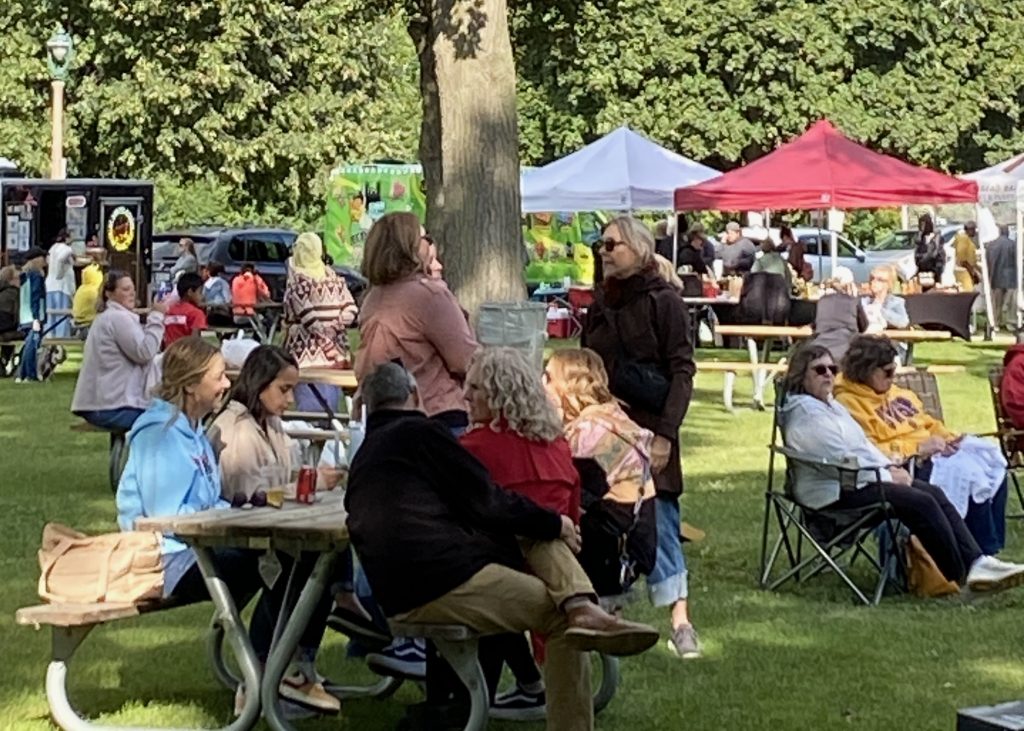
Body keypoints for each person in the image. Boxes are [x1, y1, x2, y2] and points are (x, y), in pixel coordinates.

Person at [345, 362, 659, 731]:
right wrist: (557, 523)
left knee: (537, 538)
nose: (464, 397)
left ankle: (580, 606)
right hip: (439, 582)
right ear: (414, 396)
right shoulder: (427, 435)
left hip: (406, 584)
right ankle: (581, 615)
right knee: (564, 620)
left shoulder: (368, 454)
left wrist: (548, 526)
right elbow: (489, 502)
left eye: (473, 389)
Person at [116, 337, 337, 715]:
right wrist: (235, 518)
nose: (225, 385)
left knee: (308, 557)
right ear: (190, 384)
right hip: (163, 561)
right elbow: (166, 517)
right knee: (284, 561)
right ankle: (267, 676)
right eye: (218, 377)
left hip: (192, 551)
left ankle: (279, 672)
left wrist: (246, 508)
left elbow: (207, 502)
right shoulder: (159, 434)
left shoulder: (192, 432)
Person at [780, 342, 1024, 591]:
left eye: (832, 368)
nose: (829, 374)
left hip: (859, 478)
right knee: (921, 502)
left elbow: (863, 447)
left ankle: (978, 563)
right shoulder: (808, 415)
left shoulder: (828, 405)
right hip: (833, 493)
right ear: (802, 375)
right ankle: (961, 575)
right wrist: (888, 473)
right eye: (819, 370)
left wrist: (890, 467)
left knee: (934, 492)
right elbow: (840, 459)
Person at [581, 215, 700, 659]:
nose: (604, 252)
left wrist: (666, 434)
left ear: (639, 248)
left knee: (662, 519)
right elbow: (587, 365)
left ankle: (681, 622)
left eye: (612, 244)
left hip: (650, 428)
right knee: (608, 518)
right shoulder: (600, 304)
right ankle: (608, 617)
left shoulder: (663, 301)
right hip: (604, 431)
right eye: (600, 245)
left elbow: (682, 371)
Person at [207, 344, 343, 712]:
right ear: (259, 383)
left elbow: (279, 480)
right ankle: (264, 673)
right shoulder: (235, 427)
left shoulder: (269, 424)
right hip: (229, 537)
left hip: (262, 531)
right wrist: (307, 485)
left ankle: (298, 664)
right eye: (284, 389)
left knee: (325, 555)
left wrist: (311, 480)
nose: (290, 398)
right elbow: (246, 495)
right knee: (296, 565)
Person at [459, 347, 583, 720]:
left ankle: (459, 703)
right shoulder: (558, 446)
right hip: (561, 572)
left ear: (498, 397)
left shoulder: (472, 450)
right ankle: (535, 679)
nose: (465, 396)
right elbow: (573, 518)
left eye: (475, 388)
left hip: (499, 578)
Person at [834, 335, 1007, 555]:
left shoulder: (897, 393)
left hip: (932, 455)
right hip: (900, 469)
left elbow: (927, 422)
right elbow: (870, 452)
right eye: (887, 372)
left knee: (992, 463)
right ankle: (981, 553)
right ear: (866, 370)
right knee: (971, 474)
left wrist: (949, 437)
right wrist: (917, 449)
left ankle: (990, 549)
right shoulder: (848, 404)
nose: (893, 377)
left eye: (894, 370)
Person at [544, 348, 658, 594]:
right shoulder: (617, 419)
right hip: (636, 541)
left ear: (568, 386)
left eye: (549, 377)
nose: (542, 384)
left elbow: (570, 499)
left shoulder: (586, 433)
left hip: (603, 551)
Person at [356, 212, 478, 434]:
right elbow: (465, 360)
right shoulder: (429, 295)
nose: (431, 245)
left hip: (385, 417)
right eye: (426, 239)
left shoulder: (372, 299)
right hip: (438, 415)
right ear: (408, 247)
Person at [71, 271, 167, 430]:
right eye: (125, 289)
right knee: (169, 421)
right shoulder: (117, 317)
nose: (131, 293)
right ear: (109, 294)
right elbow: (145, 353)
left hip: (102, 404)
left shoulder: (109, 317)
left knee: (167, 415)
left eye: (132, 289)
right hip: (110, 406)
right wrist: (156, 316)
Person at [283, 232, 358, 412]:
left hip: (306, 356)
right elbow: (351, 309)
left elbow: (311, 322)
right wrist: (337, 328)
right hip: (337, 355)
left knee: (310, 411)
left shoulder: (297, 284)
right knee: (330, 404)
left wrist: (327, 345)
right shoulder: (335, 280)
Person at [812, 266, 867, 363]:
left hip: (821, 347)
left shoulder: (822, 300)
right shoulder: (853, 301)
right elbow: (864, 326)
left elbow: (816, 324)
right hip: (846, 347)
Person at [15, 247, 47, 383]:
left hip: (24, 314)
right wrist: (37, 318)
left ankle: (21, 374)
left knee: (29, 344)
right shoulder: (36, 275)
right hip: (34, 315)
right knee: (32, 346)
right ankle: (30, 374)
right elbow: (36, 297)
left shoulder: (23, 276)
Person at [986, 225, 1017, 333]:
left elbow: (988, 262)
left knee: (996, 303)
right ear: (1007, 232)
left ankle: (996, 322)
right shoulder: (1013, 245)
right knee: (1010, 303)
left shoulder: (991, 245)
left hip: (995, 277)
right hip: (1011, 277)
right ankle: (1009, 322)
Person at [163, 273, 208, 347]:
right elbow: (195, 341)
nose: (202, 296)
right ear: (190, 292)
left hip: (169, 352)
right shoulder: (197, 314)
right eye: (200, 292)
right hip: (186, 354)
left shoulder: (169, 311)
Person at [45, 231, 76, 337]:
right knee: (62, 314)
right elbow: (61, 258)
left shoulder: (53, 248)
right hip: (62, 286)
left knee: (51, 314)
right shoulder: (67, 249)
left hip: (50, 286)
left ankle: (49, 336)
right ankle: (61, 338)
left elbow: (49, 260)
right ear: (67, 238)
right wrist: (59, 273)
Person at [861, 265, 909, 333]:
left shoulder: (896, 302)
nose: (873, 282)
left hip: (891, 340)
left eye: (880, 280)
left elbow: (903, 322)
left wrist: (879, 309)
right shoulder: (864, 302)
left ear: (889, 284)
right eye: (872, 278)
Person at [72, 258, 104, 335]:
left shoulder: (81, 289)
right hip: (89, 324)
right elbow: (100, 307)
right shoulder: (94, 292)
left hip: (77, 322)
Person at [914, 213, 946, 285]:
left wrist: (924, 257)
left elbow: (934, 253)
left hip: (934, 268)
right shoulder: (921, 238)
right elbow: (917, 251)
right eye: (920, 225)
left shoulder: (936, 236)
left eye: (924, 225)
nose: (922, 227)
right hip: (922, 268)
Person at [953, 221, 981, 292]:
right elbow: (962, 260)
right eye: (974, 229)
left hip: (967, 271)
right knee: (967, 293)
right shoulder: (963, 238)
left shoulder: (966, 239)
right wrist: (972, 272)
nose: (975, 232)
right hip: (965, 273)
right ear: (969, 230)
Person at [203, 262, 233, 326]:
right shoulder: (223, 283)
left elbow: (204, 298)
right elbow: (228, 299)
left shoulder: (206, 284)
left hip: (209, 316)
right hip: (222, 315)